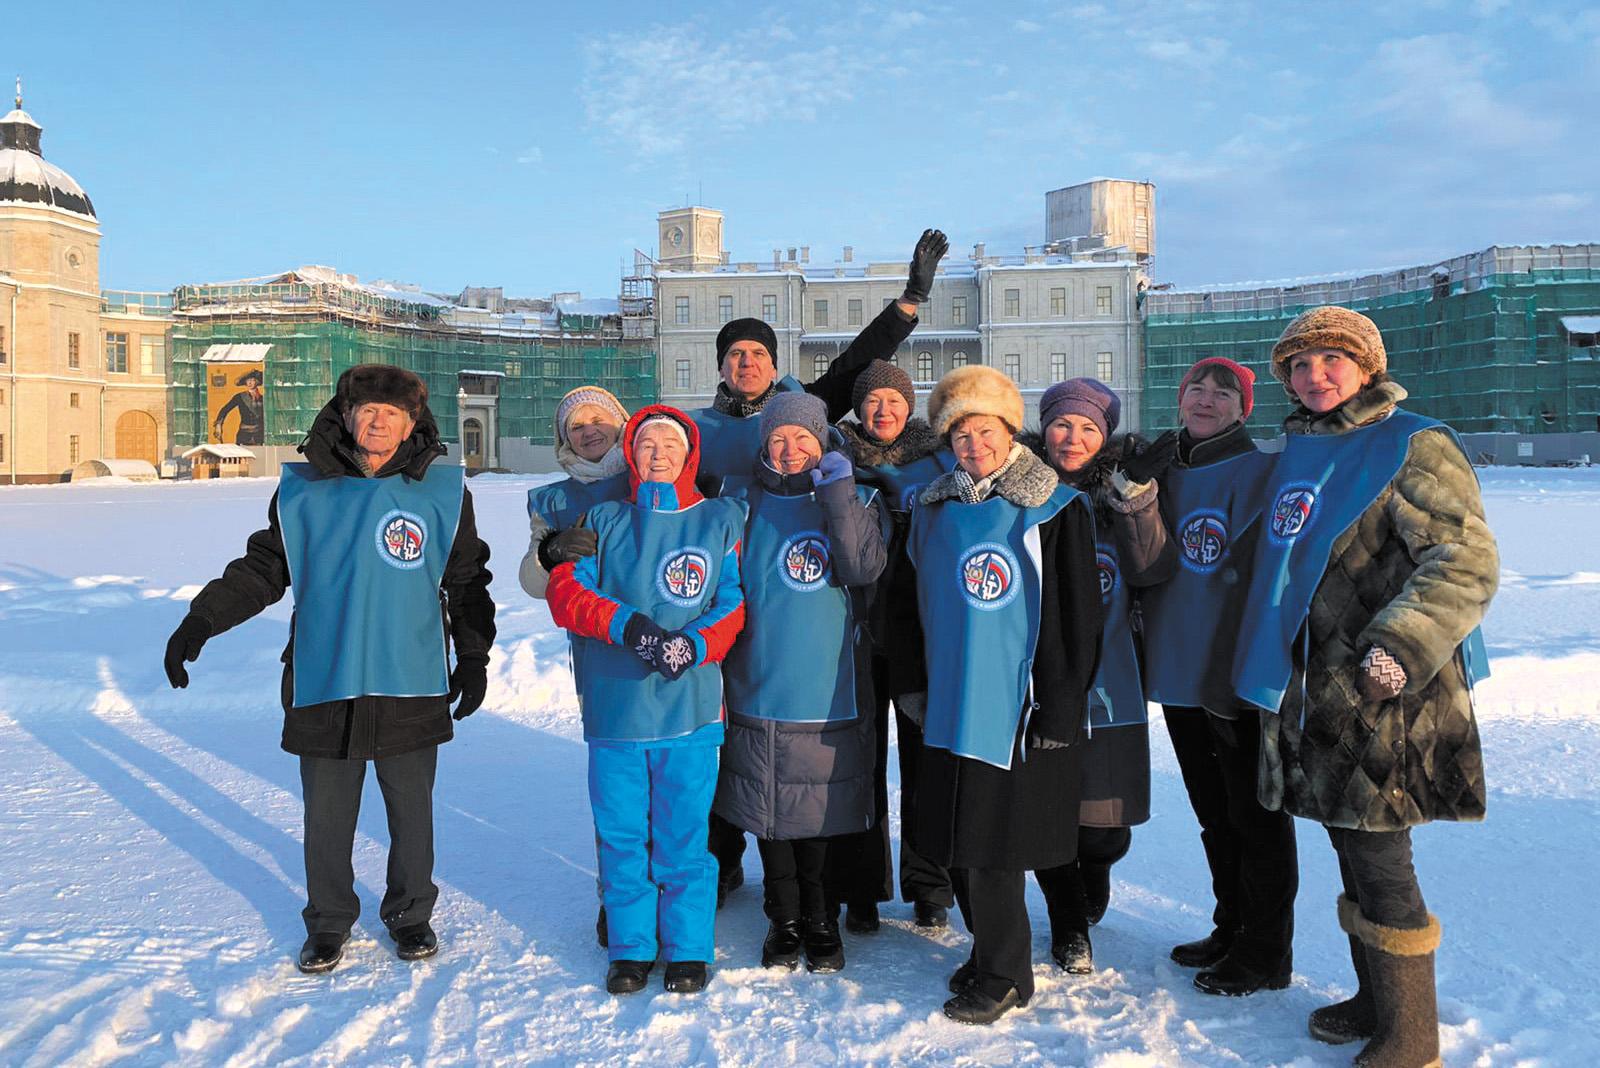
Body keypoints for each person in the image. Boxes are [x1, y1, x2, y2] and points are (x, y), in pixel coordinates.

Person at [163, 364, 496, 974]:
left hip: (411, 674)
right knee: (328, 815)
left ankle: (411, 914)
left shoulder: (444, 490)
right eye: (367, 409)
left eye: (392, 413)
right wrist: (200, 622)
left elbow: (466, 579)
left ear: (411, 422)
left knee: (411, 812)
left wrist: (473, 655)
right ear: (344, 415)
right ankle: (328, 922)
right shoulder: (303, 489)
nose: (378, 421)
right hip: (325, 673)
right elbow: (264, 571)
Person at [1233, 306, 1498, 1067]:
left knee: (1382, 858)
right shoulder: (1305, 449)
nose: (1314, 377)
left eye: (1332, 361)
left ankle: (1411, 1036)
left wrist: (1398, 645)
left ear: (1367, 368)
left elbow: (1464, 560)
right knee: (1350, 844)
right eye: (1299, 364)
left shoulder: (1411, 442)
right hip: (1317, 692)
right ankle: (1375, 999)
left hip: (1386, 691)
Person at [696, 227, 948, 905]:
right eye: (735, 353)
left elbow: (857, 366)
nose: (746, 362)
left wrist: (908, 304)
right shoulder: (696, 431)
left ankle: (849, 884)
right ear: (720, 365)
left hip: (830, 598)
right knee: (726, 742)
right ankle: (722, 862)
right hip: (732, 599)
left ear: (774, 364)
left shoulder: (798, 410)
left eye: (757, 352)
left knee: (836, 749)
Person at [901, 365, 1102, 1025]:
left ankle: (1007, 975)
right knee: (956, 838)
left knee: (995, 844)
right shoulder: (934, 509)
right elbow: (905, 606)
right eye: (960, 434)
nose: (973, 445)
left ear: (1009, 431)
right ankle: (991, 948)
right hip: (947, 700)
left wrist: (1062, 706)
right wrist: (911, 684)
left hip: (1019, 705)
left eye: (984, 430)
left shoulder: (1054, 509)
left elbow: (1076, 615)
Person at [546, 406, 747, 997]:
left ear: (690, 456)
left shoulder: (719, 521)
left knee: (685, 835)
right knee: (622, 833)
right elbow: (567, 592)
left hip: (690, 709)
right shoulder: (603, 517)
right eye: (646, 444)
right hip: (616, 708)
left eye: (670, 444)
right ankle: (631, 946)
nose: (658, 454)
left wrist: (694, 643)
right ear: (630, 454)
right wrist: (630, 628)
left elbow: (732, 602)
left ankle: (687, 946)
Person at [1137, 357, 1300, 997]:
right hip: (1180, 669)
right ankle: (1230, 924)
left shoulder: (1262, 472)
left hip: (1234, 673)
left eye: (1222, 393)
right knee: (1213, 811)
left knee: (1255, 814)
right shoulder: (1162, 470)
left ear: (1243, 410)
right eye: (1195, 390)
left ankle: (1266, 950)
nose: (1205, 400)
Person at [713, 392, 888, 973]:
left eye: (803, 439)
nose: (791, 450)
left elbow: (861, 568)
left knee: (816, 819)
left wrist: (835, 495)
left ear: (822, 444)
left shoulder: (857, 497)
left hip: (828, 687)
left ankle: (820, 919)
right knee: (770, 817)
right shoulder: (741, 502)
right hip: (759, 685)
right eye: (779, 439)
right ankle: (782, 920)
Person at [1026, 377, 1174, 975]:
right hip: (1038, 676)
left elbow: (1152, 567)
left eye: (1089, 428)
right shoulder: (1023, 487)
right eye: (1063, 424)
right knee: (1045, 810)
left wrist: (1134, 499)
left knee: (1105, 822)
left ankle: (1097, 873)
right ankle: (1067, 924)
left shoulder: (1121, 495)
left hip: (1110, 675)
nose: (1073, 437)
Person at [831, 359, 957, 932]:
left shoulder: (940, 459)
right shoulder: (838, 459)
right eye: (872, 401)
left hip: (921, 636)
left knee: (925, 765)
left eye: (895, 400)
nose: (883, 411)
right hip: (852, 634)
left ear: (911, 406)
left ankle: (931, 884)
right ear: (859, 407)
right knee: (857, 765)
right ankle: (860, 884)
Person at [517, 385, 631, 949]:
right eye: (575, 425)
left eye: (597, 419)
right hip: (599, 657)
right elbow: (531, 583)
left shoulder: (652, 469)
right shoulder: (552, 500)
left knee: (675, 778)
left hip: (667, 649)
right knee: (615, 786)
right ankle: (620, 895)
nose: (588, 430)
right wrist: (550, 550)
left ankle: (676, 885)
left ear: (619, 422)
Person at [213, 368, 265, 445]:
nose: (250, 382)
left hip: (259, 435)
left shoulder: (263, 399)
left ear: (257, 382)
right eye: (248, 380)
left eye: (252, 380)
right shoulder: (240, 397)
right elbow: (225, 409)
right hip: (244, 435)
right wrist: (218, 425)